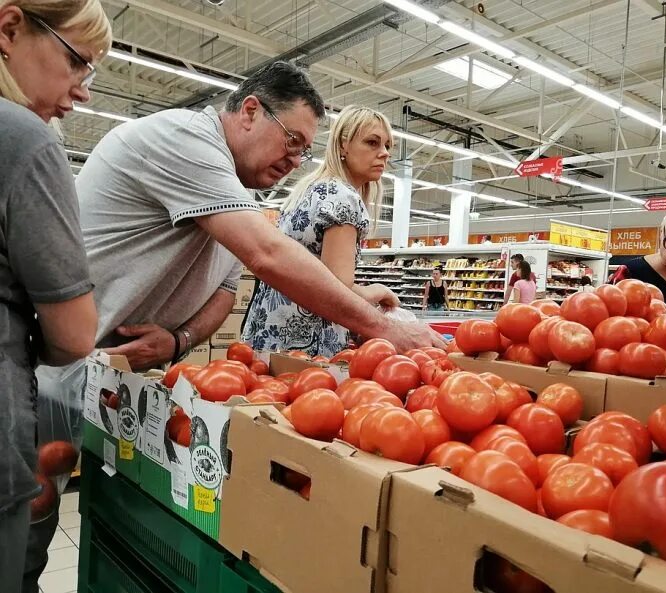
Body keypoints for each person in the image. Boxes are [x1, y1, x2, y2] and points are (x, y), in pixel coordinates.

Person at [32, 61, 443, 585]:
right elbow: (266, 254)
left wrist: (178, 338)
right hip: (50, 362)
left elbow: (225, 293)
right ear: (250, 111)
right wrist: (386, 329)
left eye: (303, 152)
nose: (294, 161)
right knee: (23, 528)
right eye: (291, 141)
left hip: (106, 375)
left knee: (52, 524)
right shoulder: (184, 138)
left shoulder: (237, 192)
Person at [0, 1, 109, 590]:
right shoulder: (24, 139)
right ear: (10, 27)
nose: (82, 91)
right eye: (77, 63)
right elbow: (73, 333)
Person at [241, 106, 397, 357]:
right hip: (305, 347)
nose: (384, 153)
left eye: (388, 146)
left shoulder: (311, 188)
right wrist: (379, 290)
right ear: (343, 145)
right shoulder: (343, 198)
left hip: (267, 332)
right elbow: (338, 290)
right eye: (372, 142)